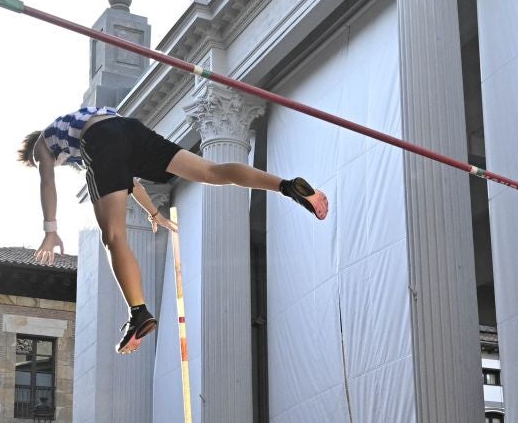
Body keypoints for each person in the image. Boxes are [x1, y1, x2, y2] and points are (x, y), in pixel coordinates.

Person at [22, 107, 328, 353]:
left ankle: (138, 312)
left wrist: (50, 230)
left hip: (101, 140)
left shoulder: (43, 145)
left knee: (113, 236)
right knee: (211, 172)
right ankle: (287, 186)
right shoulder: (78, 129)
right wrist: (154, 213)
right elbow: (131, 182)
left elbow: (46, 181)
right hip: (128, 129)